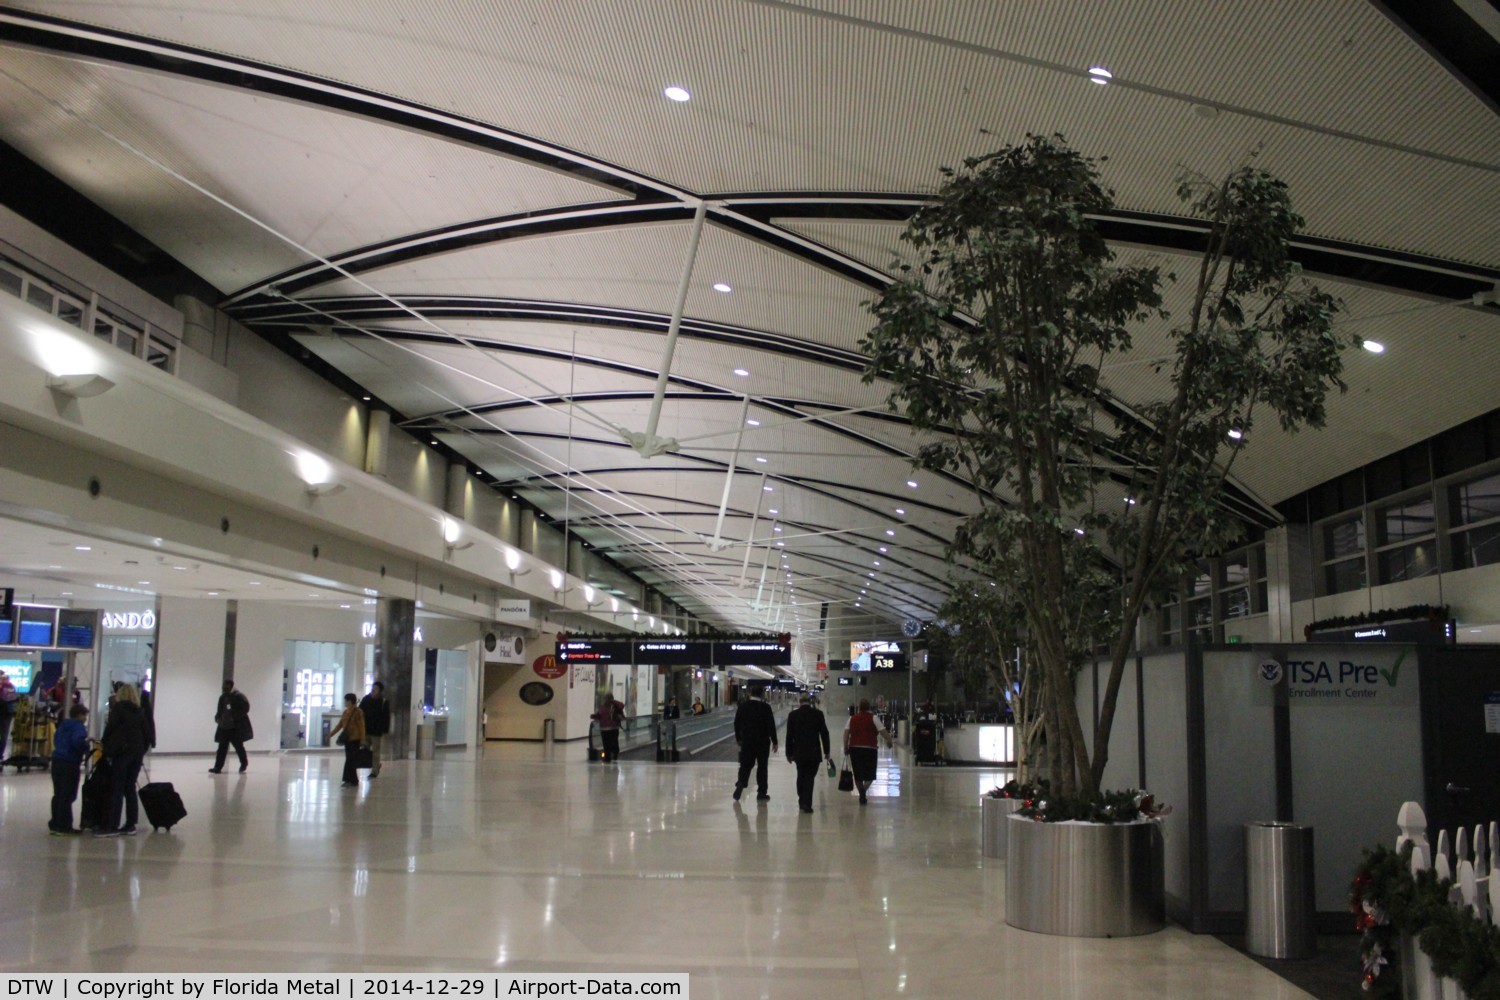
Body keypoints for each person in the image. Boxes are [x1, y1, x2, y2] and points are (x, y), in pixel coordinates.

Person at [96, 683, 147, 836]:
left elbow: (110, 729)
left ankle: (112, 825)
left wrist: (104, 744)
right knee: (130, 787)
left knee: (117, 787)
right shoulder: (140, 711)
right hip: (136, 752)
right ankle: (130, 824)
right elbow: (146, 733)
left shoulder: (118, 710)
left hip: (121, 752)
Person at [784, 695, 832, 813]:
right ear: (810, 702)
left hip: (799, 752)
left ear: (800, 702)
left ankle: (802, 799)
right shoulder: (818, 714)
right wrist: (827, 751)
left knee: (801, 774)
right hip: (814, 751)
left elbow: (789, 736)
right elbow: (824, 734)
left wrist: (788, 753)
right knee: (810, 777)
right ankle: (807, 803)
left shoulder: (793, 715)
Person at [732, 685, 778, 802]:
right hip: (763, 742)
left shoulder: (743, 707)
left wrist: (738, 738)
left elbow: (736, 723)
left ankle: (741, 782)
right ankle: (761, 792)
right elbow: (771, 725)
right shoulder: (766, 707)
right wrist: (775, 741)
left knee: (746, 764)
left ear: (750, 694)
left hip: (747, 741)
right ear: (762, 695)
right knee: (762, 767)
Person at [48, 703, 89, 835]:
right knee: (68, 795)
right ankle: (64, 826)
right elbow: (77, 741)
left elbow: (56, 741)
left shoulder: (62, 725)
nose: (85, 718)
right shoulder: (78, 727)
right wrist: (86, 746)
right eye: (84, 715)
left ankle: (55, 823)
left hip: (57, 761)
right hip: (70, 762)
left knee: (58, 794)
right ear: (79, 715)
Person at [844, 697, 893, 805]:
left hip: (855, 748)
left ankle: (861, 791)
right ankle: (863, 791)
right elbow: (883, 731)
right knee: (870, 774)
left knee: (857, 774)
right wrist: (889, 741)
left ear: (859, 707)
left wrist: (845, 747)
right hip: (870, 749)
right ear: (869, 707)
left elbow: (846, 733)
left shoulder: (852, 718)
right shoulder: (874, 718)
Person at [210, 679, 253, 773]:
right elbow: (219, 710)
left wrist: (235, 717)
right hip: (224, 727)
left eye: (225, 685)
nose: (223, 687)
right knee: (221, 748)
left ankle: (244, 764)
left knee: (239, 747)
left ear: (230, 685)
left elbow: (246, 708)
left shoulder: (239, 697)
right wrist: (218, 718)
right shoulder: (223, 697)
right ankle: (218, 767)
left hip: (235, 728)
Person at [327, 692, 366, 787]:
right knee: (349, 759)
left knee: (351, 760)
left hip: (355, 739)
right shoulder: (345, 712)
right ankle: (352, 780)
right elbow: (340, 725)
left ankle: (350, 780)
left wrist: (362, 739)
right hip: (348, 739)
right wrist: (331, 734)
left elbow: (362, 726)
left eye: (346, 700)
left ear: (350, 701)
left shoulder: (358, 712)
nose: (345, 702)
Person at [358, 681, 391, 778]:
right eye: (373, 688)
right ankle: (372, 765)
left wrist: (385, 730)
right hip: (366, 730)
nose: (373, 690)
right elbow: (360, 712)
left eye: (376, 688)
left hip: (376, 731)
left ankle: (375, 770)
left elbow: (386, 717)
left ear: (380, 690)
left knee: (376, 751)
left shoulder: (383, 701)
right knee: (365, 749)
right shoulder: (366, 699)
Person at [595, 694, 624, 763]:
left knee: (613, 742)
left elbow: (622, 705)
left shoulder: (615, 706)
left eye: (607, 698)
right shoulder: (602, 707)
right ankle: (608, 757)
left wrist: (613, 701)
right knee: (606, 743)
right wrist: (595, 716)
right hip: (604, 728)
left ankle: (614, 754)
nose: (606, 700)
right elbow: (599, 715)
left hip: (613, 728)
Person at [0, 670, 18, 761]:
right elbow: (15, 699)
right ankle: (0, 755)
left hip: (2, 712)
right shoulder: (12, 687)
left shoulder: (2, 686)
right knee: (4, 735)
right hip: (8, 714)